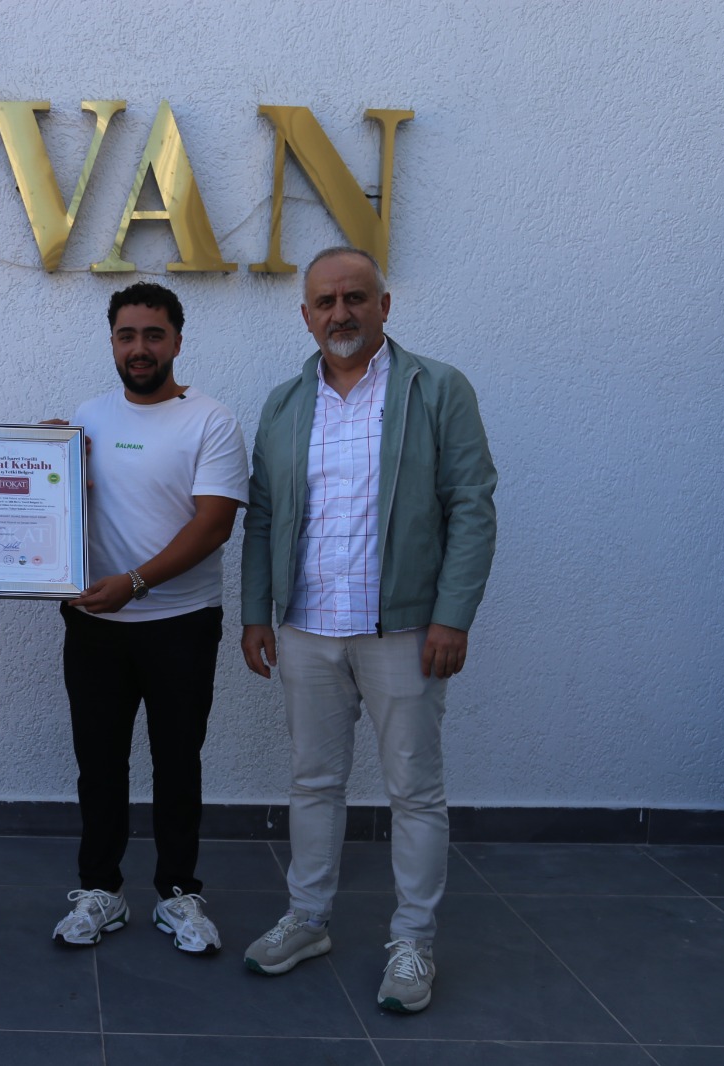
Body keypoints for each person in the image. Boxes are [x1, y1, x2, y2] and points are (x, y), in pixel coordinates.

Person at [240, 247, 497, 1013]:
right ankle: (308, 918)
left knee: (414, 791)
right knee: (313, 781)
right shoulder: (286, 404)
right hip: (306, 629)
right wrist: (256, 611)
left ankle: (413, 941)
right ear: (306, 316)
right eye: (325, 301)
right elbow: (263, 518)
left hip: (406, 632)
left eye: (355, 297)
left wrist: (452, 615)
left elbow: (472, 507)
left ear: (384, 305)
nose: (341, 313)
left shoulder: (437, 389)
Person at [51, 282, 248, 956]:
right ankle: (100, 890)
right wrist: (42, 459)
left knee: (177, 762)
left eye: (153, 335)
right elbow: (65, 501)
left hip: (181, 624)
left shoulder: (211, 421)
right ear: (112, 342)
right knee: (98, 764)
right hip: (95, 625)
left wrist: (134, 584)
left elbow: (213, 525)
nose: (140, 348)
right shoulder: (88, 416)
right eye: (127, 335)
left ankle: (178, 893)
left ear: (177, 342)